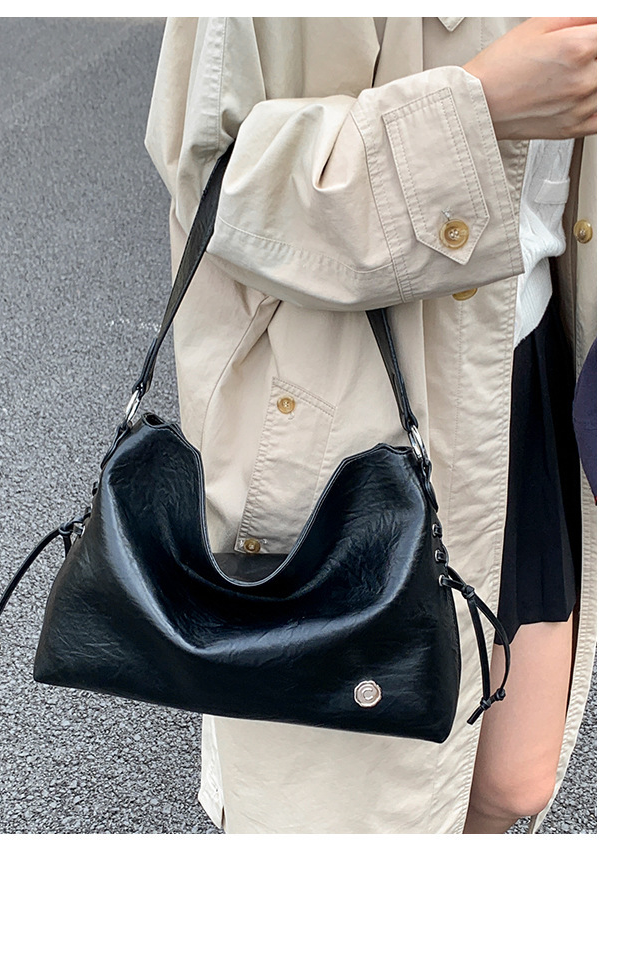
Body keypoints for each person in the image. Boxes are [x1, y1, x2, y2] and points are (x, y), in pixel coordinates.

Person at [143, 16, 597, 834]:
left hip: (529, 360)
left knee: (514, 778)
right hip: (357, 405)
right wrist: (478, 113)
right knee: (356, 819)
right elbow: (212, 172)